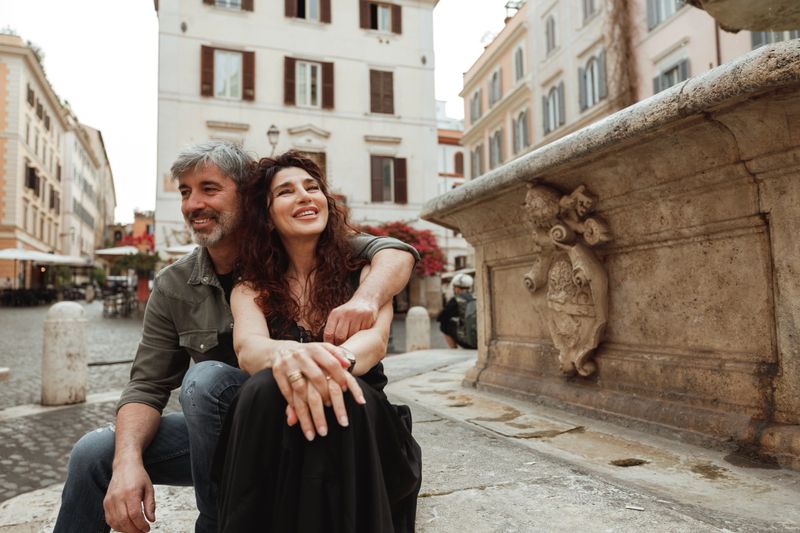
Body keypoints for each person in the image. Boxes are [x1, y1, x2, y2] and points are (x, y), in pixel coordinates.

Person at [54, 141, 418, 533]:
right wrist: (127, 462)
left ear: (249, 198)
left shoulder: (311, 244)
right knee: (95, 453)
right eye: (185, 192)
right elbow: (147, 385)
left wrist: (364, 300)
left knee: (207, 379)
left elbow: (394, 252)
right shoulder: (182, 284)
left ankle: (216, 523)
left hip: (298, 419)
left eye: (209, 189)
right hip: (228, 430)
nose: (193, 204)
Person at [214, 152, 422, 532]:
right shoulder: (250, 285)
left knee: (346, 392)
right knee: (260, 387)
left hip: (364, 418)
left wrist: (327, 366)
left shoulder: (366, 275)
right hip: (283, 418)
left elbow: (373, 343)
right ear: (268, 215)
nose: (305, 196)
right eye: (286, 191)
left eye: (312, 187)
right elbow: (249, 349)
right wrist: (294, 357)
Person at [437, 273, 477, 349]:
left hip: (467, 342)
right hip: (479, 340)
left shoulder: (456, 299)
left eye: (454, 287)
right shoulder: (475, 297)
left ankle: (453, 348)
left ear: (457, 288)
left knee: (444, 324)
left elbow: (440, 317)